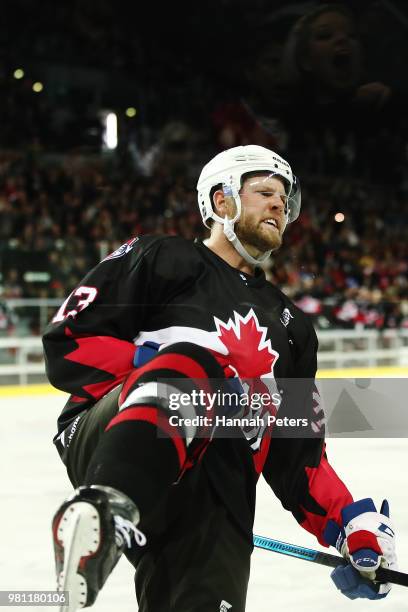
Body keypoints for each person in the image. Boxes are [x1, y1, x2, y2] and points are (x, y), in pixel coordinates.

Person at [43, 145, 398, 611]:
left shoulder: (292, 327)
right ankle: (106, 513)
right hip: (121, 438)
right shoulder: (160, 257)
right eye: (265, 191)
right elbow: (69, 343)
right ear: (221, 199)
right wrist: (167, 366)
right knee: (198, 363)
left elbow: (298, 455)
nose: (280, 205)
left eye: (284, 199)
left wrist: (347, 523)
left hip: (217, 488)